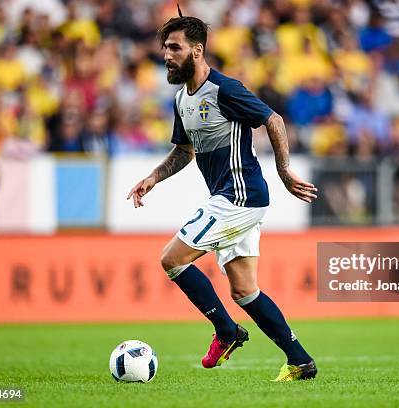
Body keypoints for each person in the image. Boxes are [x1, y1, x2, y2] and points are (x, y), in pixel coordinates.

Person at [127, 13, 318, 381]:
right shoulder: (182, 99)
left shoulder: (224, 90)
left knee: (172, 260)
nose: (166, 55)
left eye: (174, 47)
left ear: (197, 51)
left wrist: (283, 171)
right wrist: (153, 177)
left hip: (239, 196)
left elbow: (273, 120)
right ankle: (300, 360)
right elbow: (185, 151)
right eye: (165, 47)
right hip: (231, 198)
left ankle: (227, 332)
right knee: (245, 291)